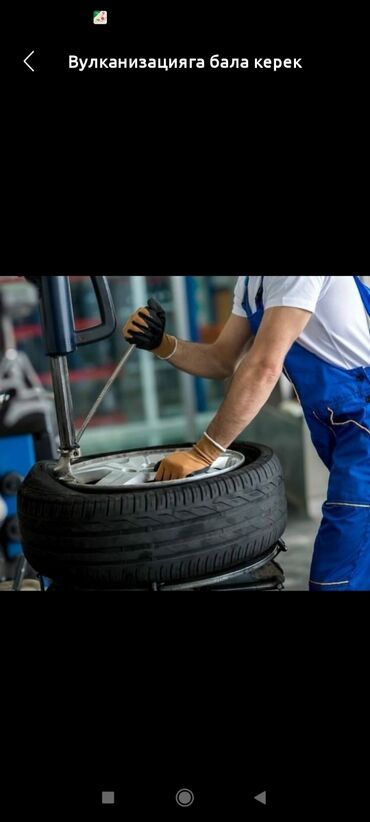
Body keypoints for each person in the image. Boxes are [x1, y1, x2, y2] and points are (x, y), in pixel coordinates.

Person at [123, 276, 370, 591]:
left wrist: (204, 452)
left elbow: (264, 366)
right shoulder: (252, 282)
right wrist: (162, 343)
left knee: (337, 578)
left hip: (363, 424)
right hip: (343, 426)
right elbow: (222, 359)